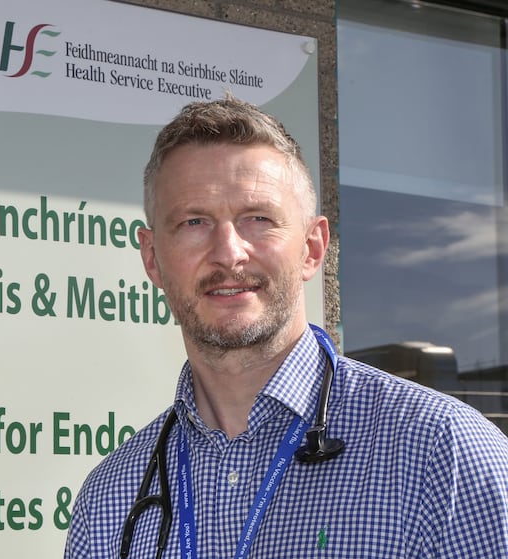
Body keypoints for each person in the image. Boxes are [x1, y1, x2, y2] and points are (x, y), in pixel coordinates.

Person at [63, 96, 508, 558]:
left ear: (313, 249)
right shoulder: (110, 500)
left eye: (258, 219)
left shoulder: (443, 453)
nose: (229, 252)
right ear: (153, 259)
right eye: (194, 222)